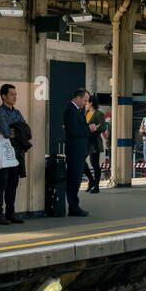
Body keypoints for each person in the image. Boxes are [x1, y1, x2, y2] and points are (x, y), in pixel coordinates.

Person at [0, 83, 26, 225]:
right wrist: (16, 131)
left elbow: (25, 130)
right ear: (3, 96)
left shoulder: (17, 112)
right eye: (12, 94)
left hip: (15, 154)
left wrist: (15, 131)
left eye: (15, 95)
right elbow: (6, 133)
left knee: (13, 184)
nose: (14, 97)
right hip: (1, 154)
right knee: (1, 183)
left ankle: (11, 213)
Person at [63, 88, 98, 216]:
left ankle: (74, 205)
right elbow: (73, 130)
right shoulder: (71, 111)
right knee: (74, 179)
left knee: (77, 178)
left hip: (79, 149)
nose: (85, 103)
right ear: (77, 98)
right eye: (84, 100)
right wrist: (88, 128)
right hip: (75, 150)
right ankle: (73, 206)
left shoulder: (76, 110)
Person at [83, 96, 106, 194]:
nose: (85, 104)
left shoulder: (99, 114)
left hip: (94, 142)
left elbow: (103, 127)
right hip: (85, 141)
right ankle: (91, 180)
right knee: (81, 161)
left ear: (91, 103)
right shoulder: (85, 113)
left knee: (95, 164)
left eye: (86, 102)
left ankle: (96, 185)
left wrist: (95, 128)